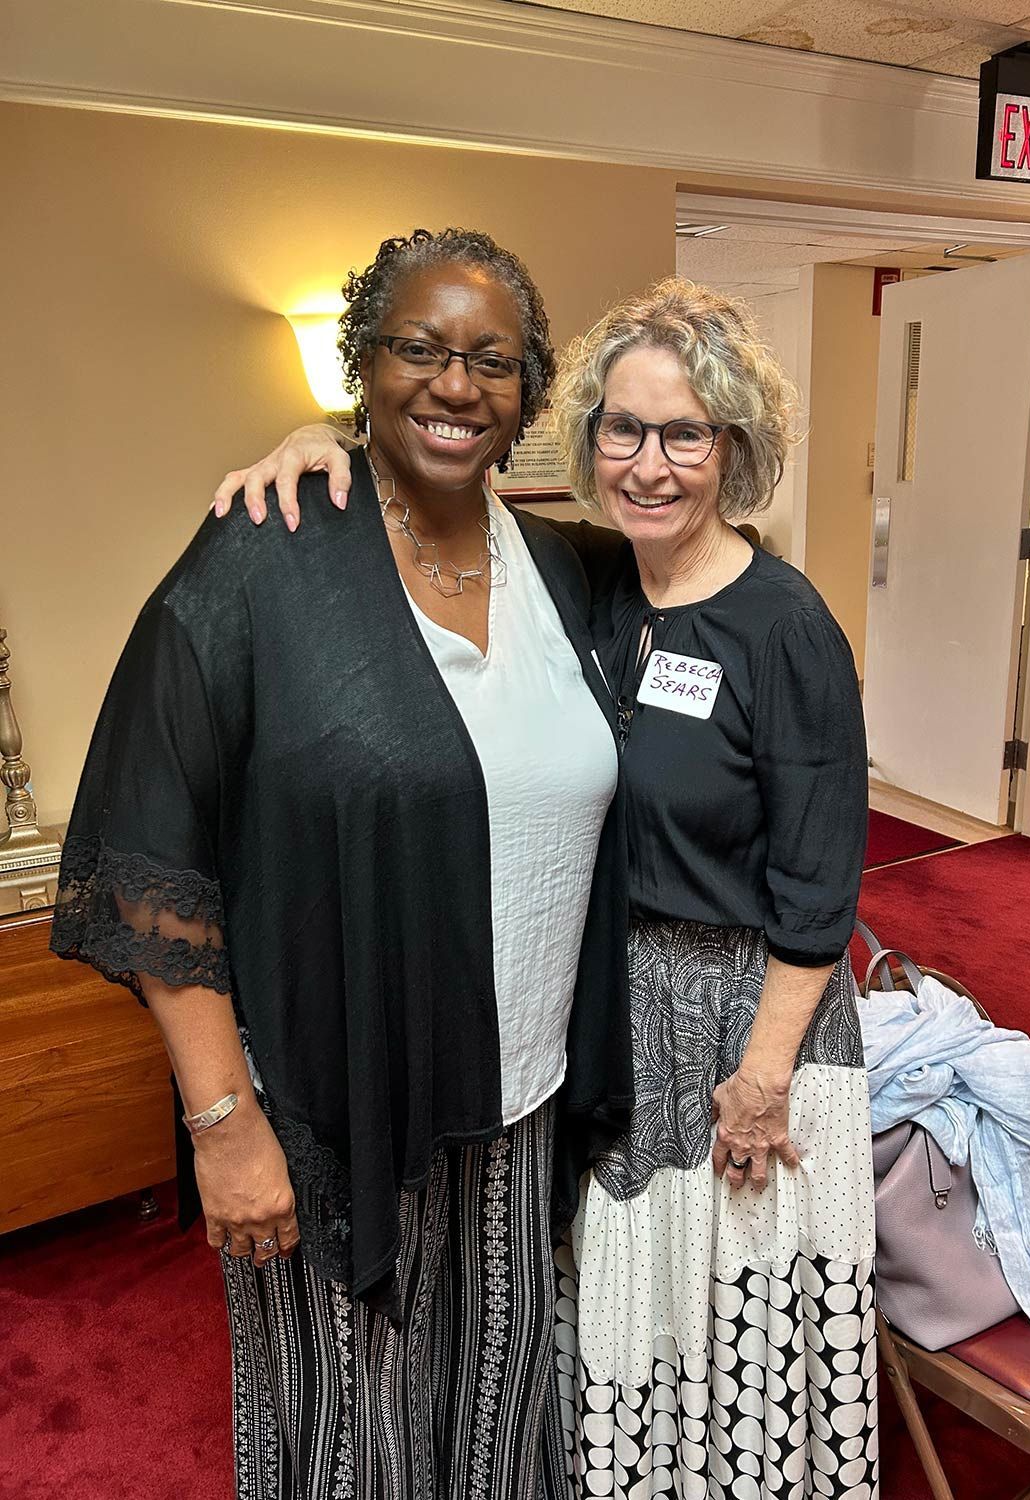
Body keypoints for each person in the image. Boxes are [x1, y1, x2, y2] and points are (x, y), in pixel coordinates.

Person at [216, 277, 877, 1498]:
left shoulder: (785, 626)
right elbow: (440, 492)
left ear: (735, 446)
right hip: (614, 1005)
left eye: (686, 433)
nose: (650, 464)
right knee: (624, 1315)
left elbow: (823, 874)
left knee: (731, 1329)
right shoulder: (596, 581)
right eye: (622, 429)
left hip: (746, 1027)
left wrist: (765, 1075)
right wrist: (330, 445)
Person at [50, 227, 634, 1500]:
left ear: (529, 392)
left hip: (523, 1095)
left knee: (501, 1414)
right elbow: (150, 847)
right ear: (359, 364)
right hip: (325, 1107)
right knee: (347, 1445)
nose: (453, 385)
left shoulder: (564, 568)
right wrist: (222, 1126)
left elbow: (707, 552)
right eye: (416, 349)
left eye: (491, 359)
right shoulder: (264, 554)